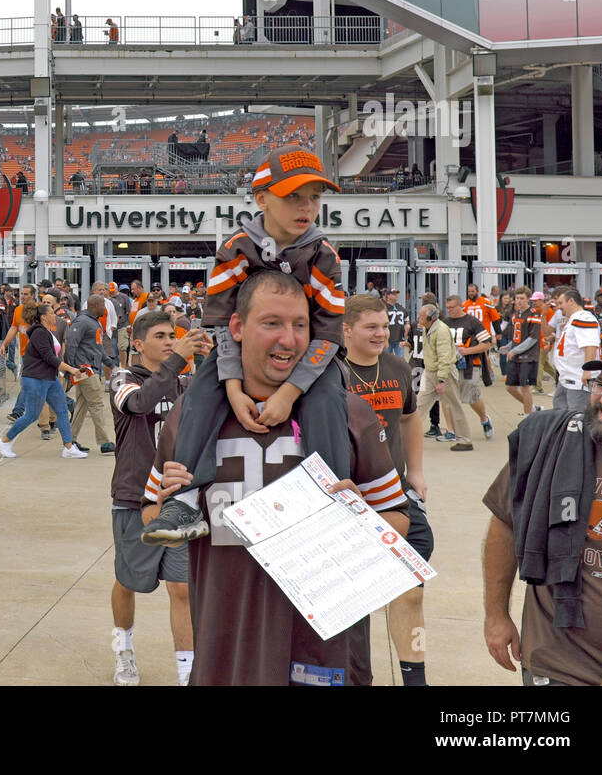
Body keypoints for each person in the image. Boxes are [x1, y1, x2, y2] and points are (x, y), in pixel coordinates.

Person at [146, 273, 410, 685]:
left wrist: (359, 518)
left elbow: (397, 521)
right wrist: (169, 501)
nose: (288, 340)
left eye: (299, 325)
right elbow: (149, 513)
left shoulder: (350, 413)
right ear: (236, 328)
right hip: (225, 655)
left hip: (324, 654)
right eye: (271, 323)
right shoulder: (191, 415)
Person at [143, 145, 349, 544]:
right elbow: (219, 323)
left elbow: (329, 332)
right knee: (201, 390)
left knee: (328, 397)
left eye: (315, 197)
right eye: (293, 196)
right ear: (261, 199)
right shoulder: (236, 248)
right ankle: (183, 500)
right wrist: (234, 389)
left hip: (306, 357)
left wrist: (290, 393)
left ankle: (331, 498)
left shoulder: (324, 254)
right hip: (241, 356)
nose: (306, 207)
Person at [482, 346, 602, 685]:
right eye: (601, 385)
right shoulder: (551, 443)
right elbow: (505, 523)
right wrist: (496, 615)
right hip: (552, 662)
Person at [109, 311, 210, 686]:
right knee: (128, 580)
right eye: (161, 336)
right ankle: (124, 649)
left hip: (177, 498)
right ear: (138, 344)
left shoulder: (181, 380)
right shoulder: (122, 378)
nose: (170, 341)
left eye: (174, 335)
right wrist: (178, 360)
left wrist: (205, 361)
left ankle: (187, 671)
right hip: (134, 497)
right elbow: (140, 404)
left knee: (182, 588)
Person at [340, 295, 432, 685]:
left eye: (384, 326)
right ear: (346, 330)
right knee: (351, 603)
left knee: (411, 591)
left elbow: (410, 419)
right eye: (371, 327)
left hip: (395, 499)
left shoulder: (396, 367)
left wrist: (416, 471)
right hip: (348, 501)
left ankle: (415, 679)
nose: (382, 333)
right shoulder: (330, 374)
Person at [0, 301, 86, 461]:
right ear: (44, 317)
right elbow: (49, 357)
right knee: (31, 415)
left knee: (62, 410)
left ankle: (68, 447)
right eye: (51, 313)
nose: (54, 315)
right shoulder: (39, 333)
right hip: (36, 379)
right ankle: (4, 441)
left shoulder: (45, 332)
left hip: (49, 378)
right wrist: (70, 369)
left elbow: (53, 357)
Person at [416, 303, 473, 451]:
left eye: (421, 315)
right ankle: (408, 437)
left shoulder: (441, 330)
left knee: (453, 406)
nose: (418, 318)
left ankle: (465, 440)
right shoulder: (426, 328)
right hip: (430, 372)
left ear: (429, 318)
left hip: (444, 373)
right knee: (419, 404)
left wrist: (441, 380)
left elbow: (445, 356)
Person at [64, 292, 116, 454]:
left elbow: (98, 348)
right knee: (97, 404)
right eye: (102, 305)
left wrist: (111, 365)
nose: (105, 309)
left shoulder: (92, 322)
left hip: (87, 370)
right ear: (94, 306)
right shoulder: (83, 322)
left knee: (82, 405)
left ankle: (70, 440)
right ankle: (105, 443)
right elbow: (71, 343)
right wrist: (71, 368)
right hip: (85, 370)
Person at [442, 293, 495, 440]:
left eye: (452, 307)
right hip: (449, 366)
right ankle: (451, 430)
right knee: (447, 398)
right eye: (447, 308)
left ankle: (484, 419)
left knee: (471, 397)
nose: (450, 310)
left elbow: (486, 344)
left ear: (460, 306)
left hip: (470, 365)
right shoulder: (445, 323)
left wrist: (467, 351)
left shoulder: (473, 322)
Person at [551, 288, 600, 413]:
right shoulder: (574, 318)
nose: (559, 307)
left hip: (578, 379)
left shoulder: (583, 318)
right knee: (561, 414)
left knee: (577, 418)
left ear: (571, 301)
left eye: (561, 303)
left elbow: (591, 344)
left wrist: (587, 370)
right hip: (567, 376)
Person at [504, 286, 543, 417]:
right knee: (509, 387)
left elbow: (533, 338)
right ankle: (532, 408)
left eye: (522, 298)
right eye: (517, 298)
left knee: (525, 388)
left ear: (528, 300)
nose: (519, 301)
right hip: (515, 355)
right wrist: (508, 347)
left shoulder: (534, 314)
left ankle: (528, 418)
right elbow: (517, 337)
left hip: (528, 357)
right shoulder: (515, 314)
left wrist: (514, 350)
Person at [384, 289, 408, 357]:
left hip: (399, 337)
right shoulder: (384, 307)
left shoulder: (400, 307)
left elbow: (406, 320)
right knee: (387, 359)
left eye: (396, 294)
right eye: (394, 294)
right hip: (388, 338)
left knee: (400, 359)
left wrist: (406, 332)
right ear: (388, 296)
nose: (396, 296)